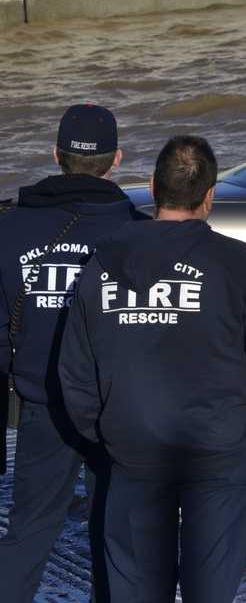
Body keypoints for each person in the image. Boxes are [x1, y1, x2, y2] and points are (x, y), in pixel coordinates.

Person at [58, 135, 246, 603]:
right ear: (210, 197)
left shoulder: (102, 262)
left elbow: (75, 374)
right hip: (222, 451)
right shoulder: (239, 263)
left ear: (151, 188)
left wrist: (107, 435)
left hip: (134, 450)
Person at [0, 104, 141, 603]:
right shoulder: (138, 233)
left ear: (56, 155)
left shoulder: (9, 231)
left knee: (28, 535)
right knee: (120, 540)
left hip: (45, 407)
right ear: (117, 159)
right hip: (119, 409)